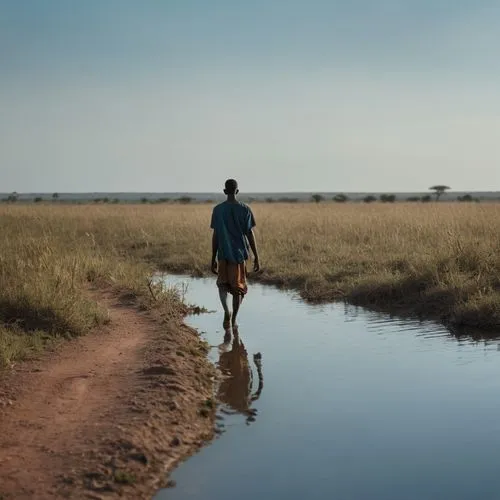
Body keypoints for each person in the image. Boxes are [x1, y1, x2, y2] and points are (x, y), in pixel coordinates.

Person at [210, 179, 260, 329]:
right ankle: (234, 320)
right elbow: (250, 234)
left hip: (223, 253)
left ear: (225, 191)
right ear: (237, 191)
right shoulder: (245, 209)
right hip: (239, 255)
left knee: (222, 285)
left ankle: (227, 312)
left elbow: (216, 235)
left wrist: (213, 257)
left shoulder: (218, 210)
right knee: (238, 289)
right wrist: (256, 256)